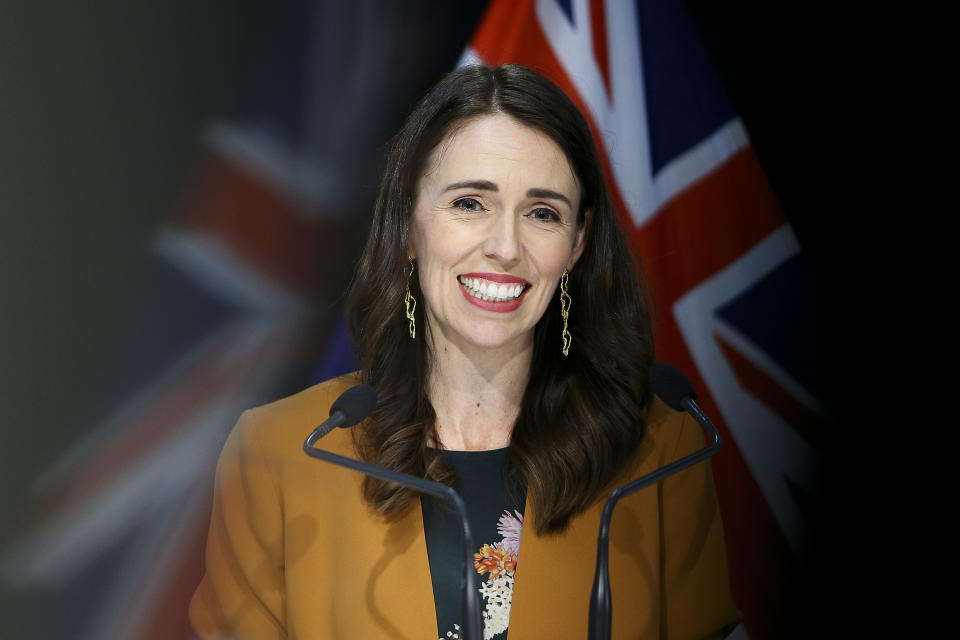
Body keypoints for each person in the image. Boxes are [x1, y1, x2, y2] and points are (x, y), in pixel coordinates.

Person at [189, 64, 740, 639]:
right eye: (471, 203)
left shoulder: (661, 452)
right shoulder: (281, 453)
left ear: (577, 242)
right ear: (408, 225)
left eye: (542, 213)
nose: (505, 247)